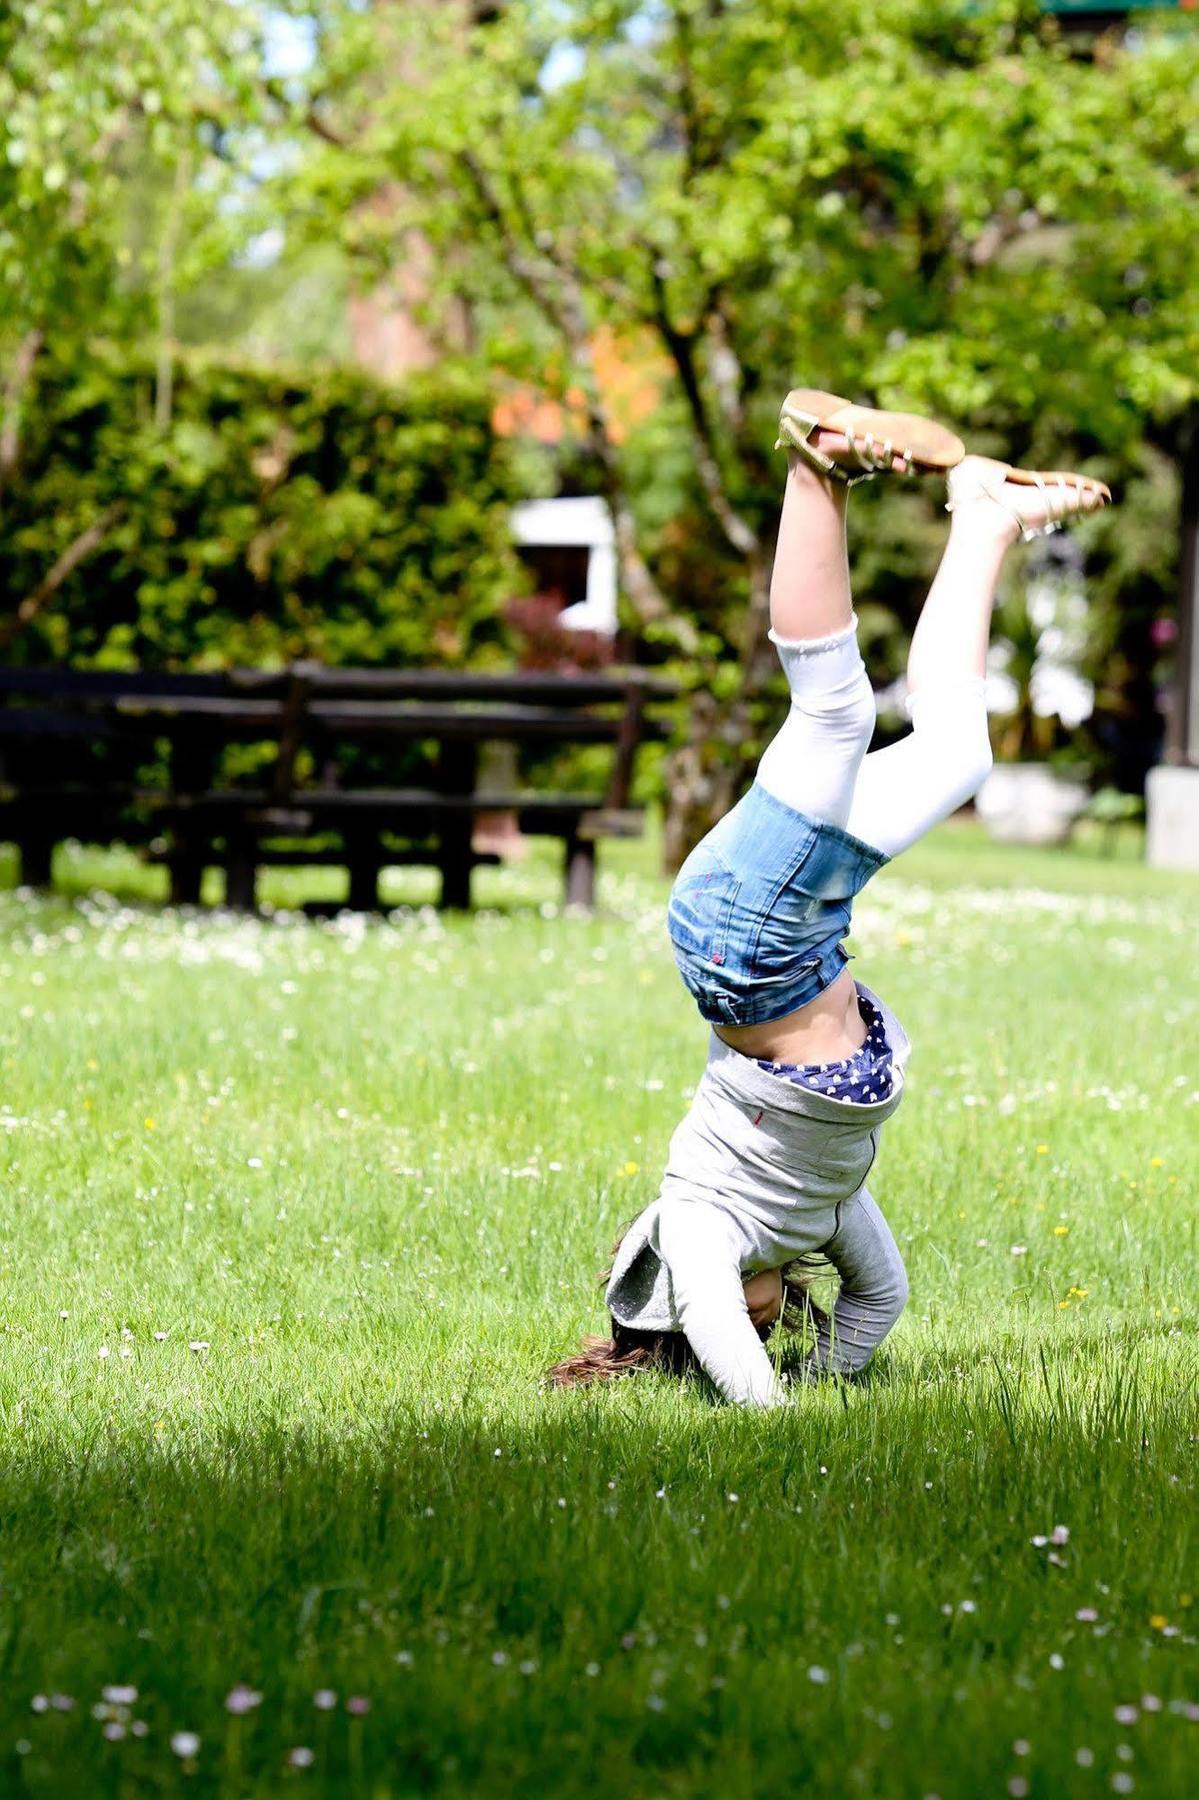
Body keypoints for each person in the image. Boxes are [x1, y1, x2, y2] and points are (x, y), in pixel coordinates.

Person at [549, 390, 1110, 1406]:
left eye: (750, 1323)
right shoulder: (815, 1213)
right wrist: (828, 1379)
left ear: (674, 1298)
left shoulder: (697, 1225)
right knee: (955, 754)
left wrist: (768, 1416)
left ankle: (815, 463)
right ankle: (982, 519)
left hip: (743, 943)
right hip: (799, 935)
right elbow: (878, 1301)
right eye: (774, 1326)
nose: (764, 1317)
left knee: (835, 712)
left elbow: (718, 1314)